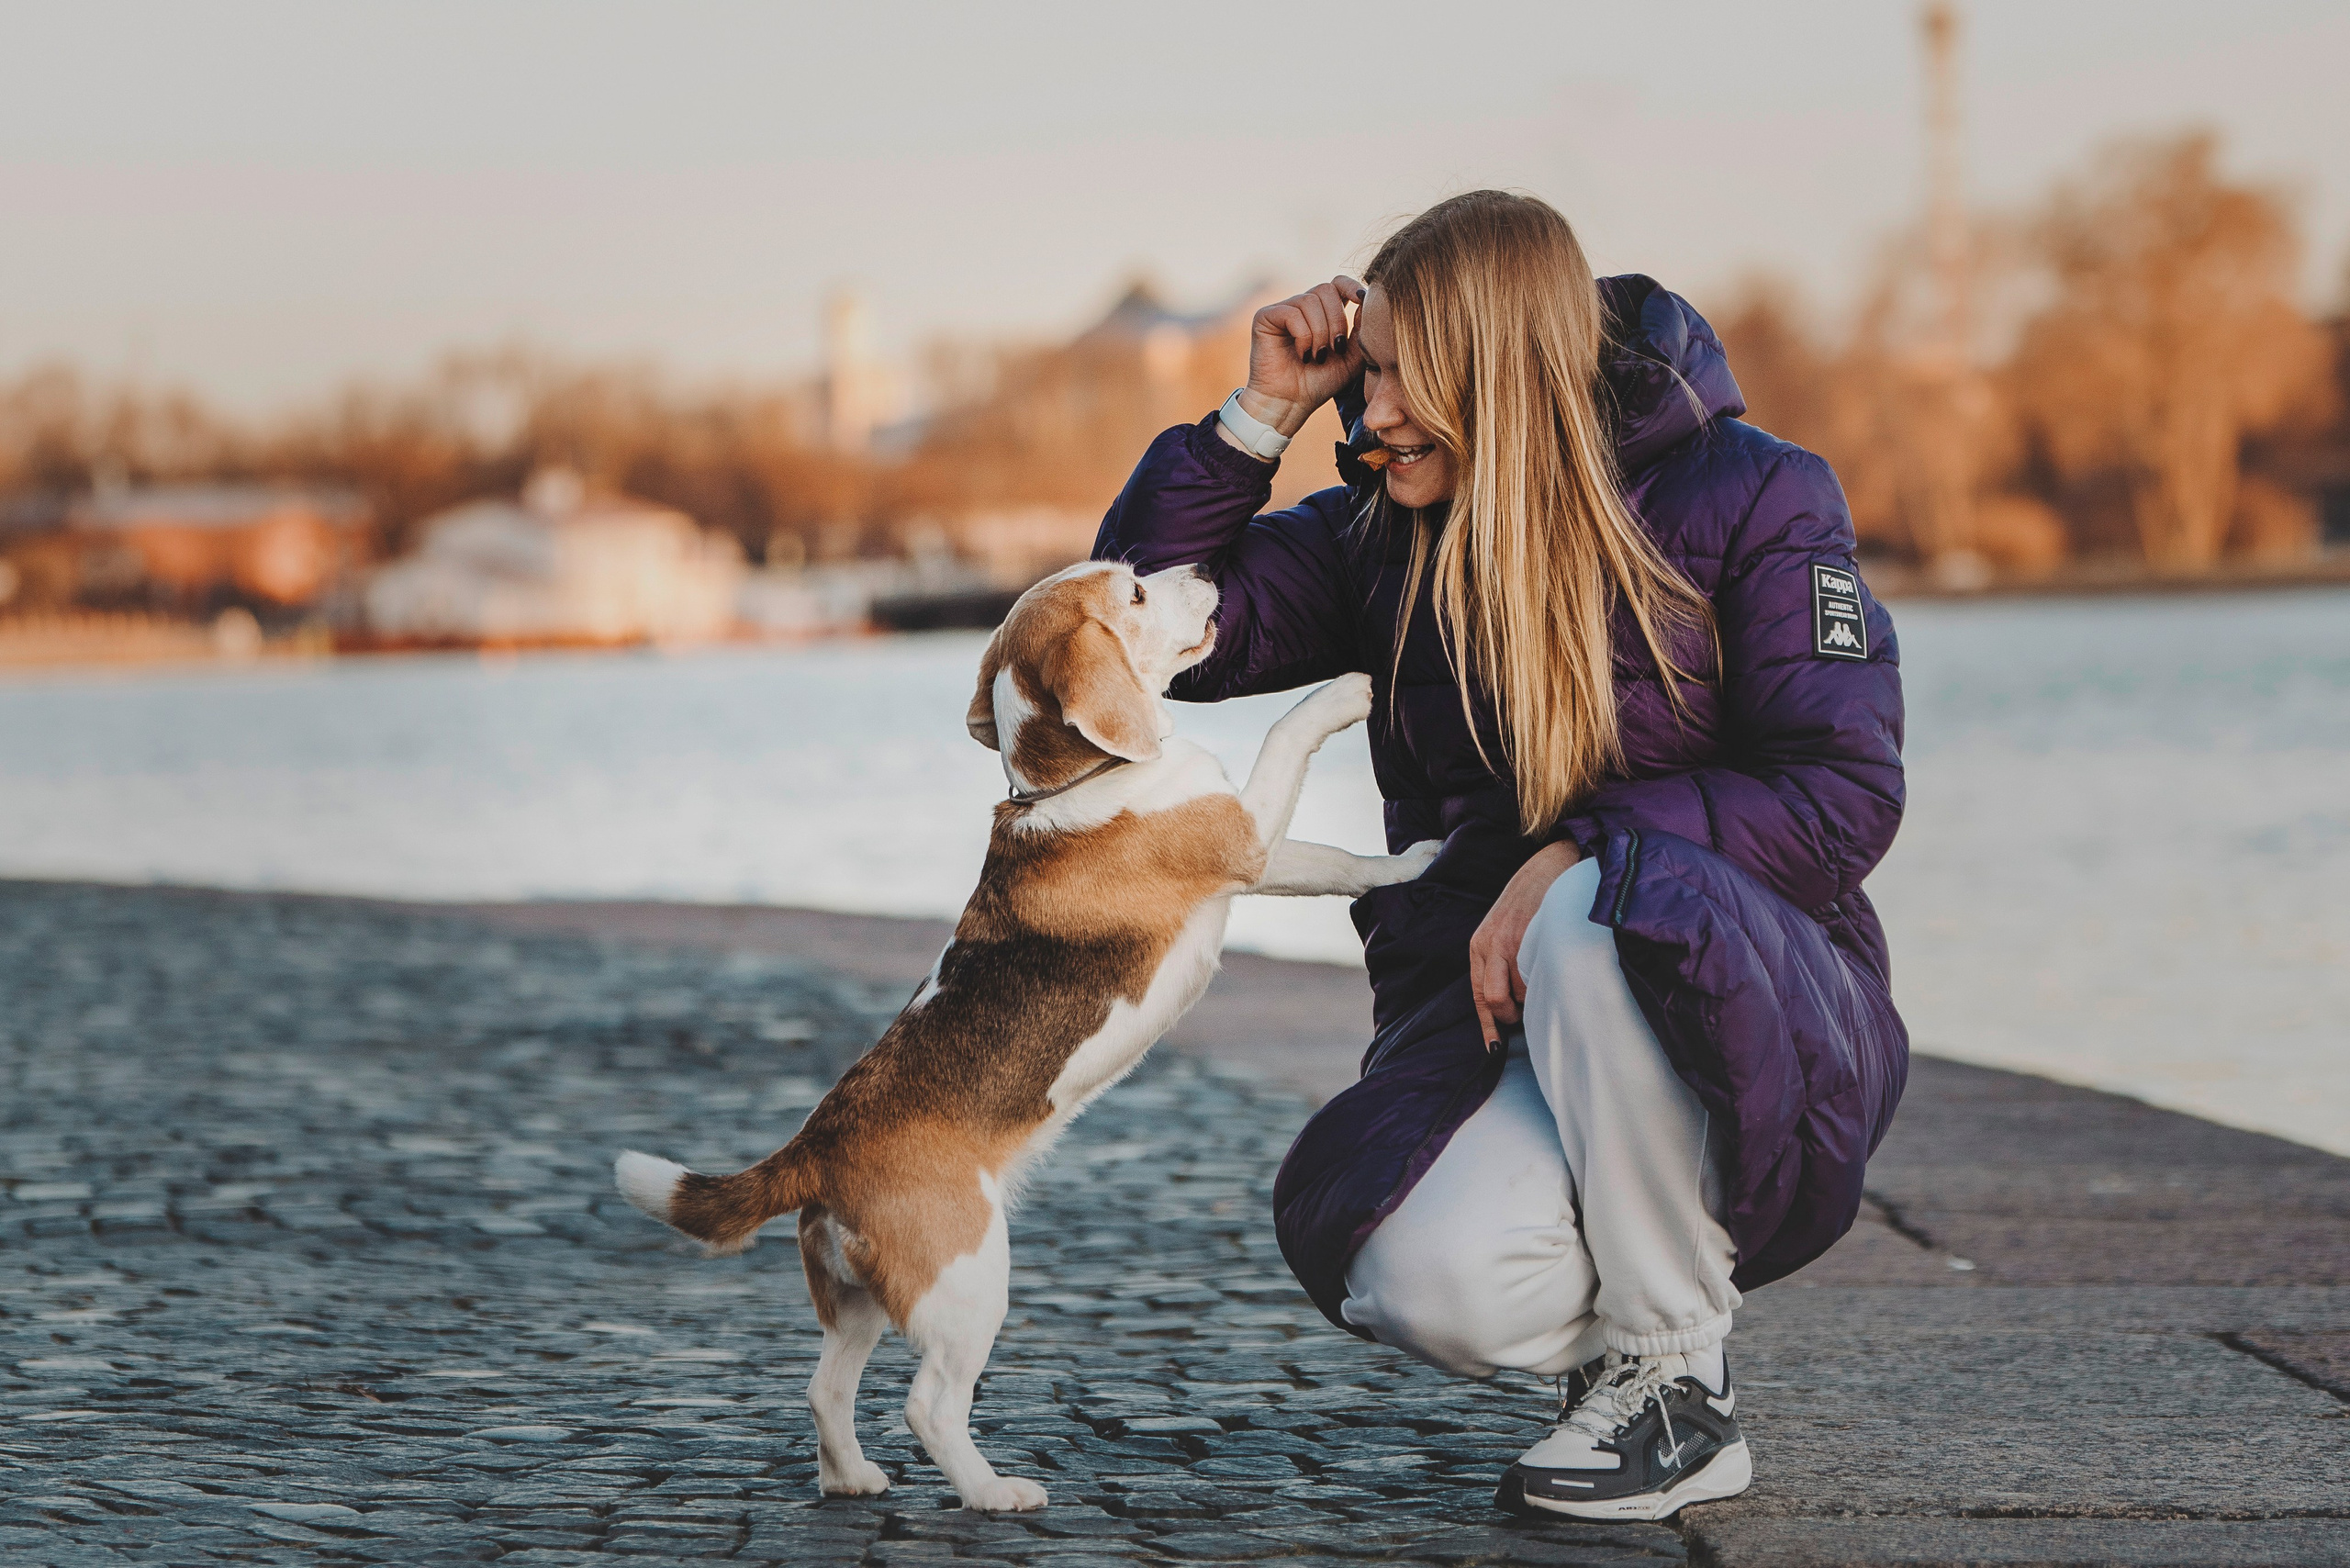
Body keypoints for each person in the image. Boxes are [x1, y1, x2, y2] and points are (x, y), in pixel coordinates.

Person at [1093, 191, 1907, 1521]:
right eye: (1368, 373)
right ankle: (1628, 1305)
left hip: (1750, 1016)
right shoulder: (1381, 534)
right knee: (1422, 1278)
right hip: (1502, 1019)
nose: (1372, 413)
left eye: (1404, 376)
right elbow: (1141, 633)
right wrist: (1258, 420)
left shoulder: (1760, 497)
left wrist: (1583, 848)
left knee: (1595, 904)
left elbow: (1840, 792)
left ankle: (1674, 1377)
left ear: (1503, 367)